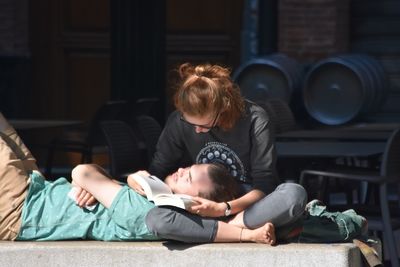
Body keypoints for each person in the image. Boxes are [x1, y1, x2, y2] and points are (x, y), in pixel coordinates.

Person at [0, 112, 275, 244]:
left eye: (188, 179)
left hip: (22, 210)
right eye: (188, 167)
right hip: (37, 188)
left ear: (193, 203)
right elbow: (86, 175)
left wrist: (93, 180)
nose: (180, 170)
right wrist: (102, 181)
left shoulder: (144, 210)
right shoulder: (148, 196)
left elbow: (82, 170)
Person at [142, 62, 308, 242]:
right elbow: (159, 168)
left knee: (294, 194)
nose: (196, 130)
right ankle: (241, 232)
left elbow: (264, 185)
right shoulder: (178, 122)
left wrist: (223, 208)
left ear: (223, 108)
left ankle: (224, 230)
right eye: (190, 123)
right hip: (196, 209)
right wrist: (142, 182)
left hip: (247, 208)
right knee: (155, 218)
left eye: (203, 125)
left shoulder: (255, 119)